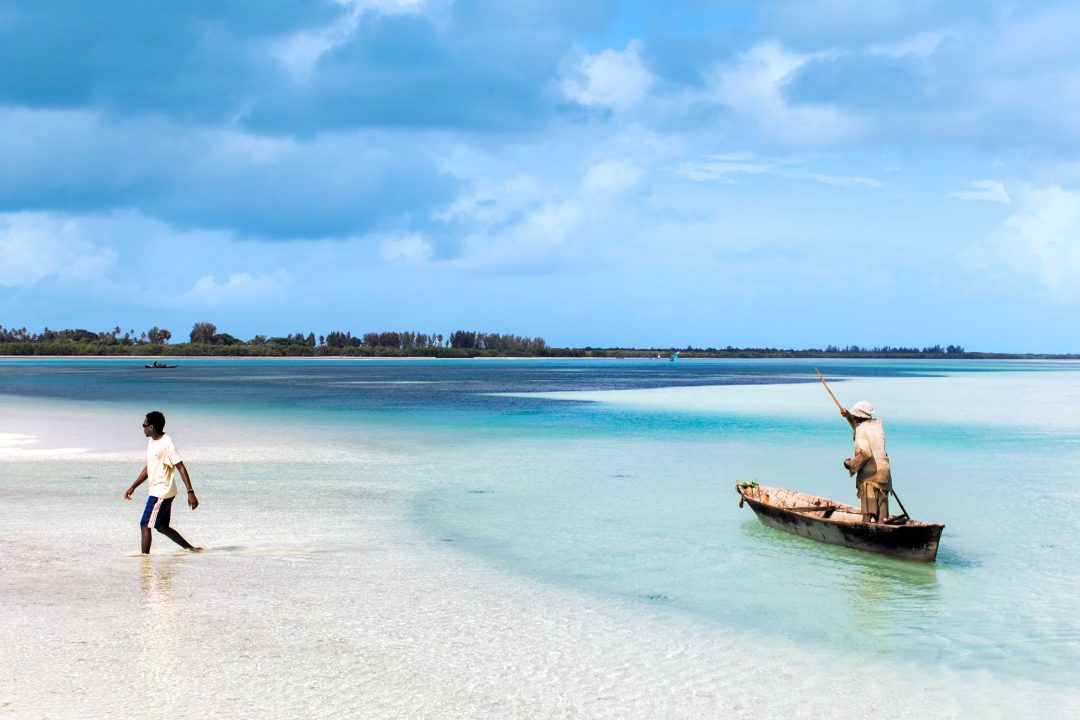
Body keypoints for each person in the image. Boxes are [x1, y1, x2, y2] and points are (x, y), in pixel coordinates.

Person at [123, 411, 202, 554]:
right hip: (165, 491)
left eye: (144, 425)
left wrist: (190, 492)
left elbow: (181, 467)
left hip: (161, 491)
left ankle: (144, 560)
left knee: (145, 524)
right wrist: (133, 486)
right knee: (161, 526)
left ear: (151, 427)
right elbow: (149, 467)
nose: (143, 427)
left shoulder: (167, 443)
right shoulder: (152, 441)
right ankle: (192, 549)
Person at [840, 400, 892, 523]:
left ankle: (867, 536)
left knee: (867, 515)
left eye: (854, 415)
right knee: (881, 517)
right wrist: (848, 416)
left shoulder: (861, 430)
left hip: (870, 476)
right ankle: (882, 530)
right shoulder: (877, 426)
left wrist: (850, 464)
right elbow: (858, 427)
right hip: (884, 473)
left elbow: (865, 454)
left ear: (859, 416)